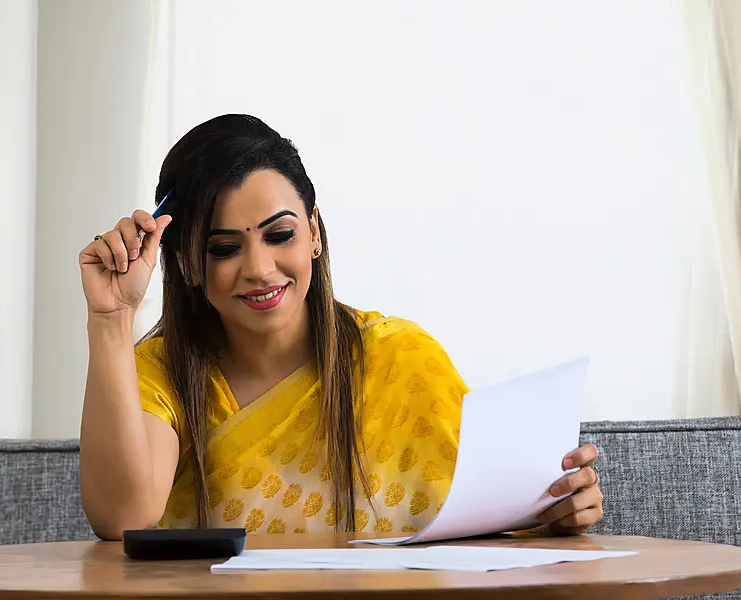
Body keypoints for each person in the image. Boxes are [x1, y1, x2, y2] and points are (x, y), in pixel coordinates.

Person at [78, 114, 603, 540]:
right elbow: (122, 519)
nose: (259, 268)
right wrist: (111, 319)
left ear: (314, 233)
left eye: (279, 234)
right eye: (225, 248)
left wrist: (557, 510)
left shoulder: (399, 358)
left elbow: (485, 520)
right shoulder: (160, 374)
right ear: (189, 264)